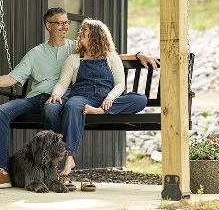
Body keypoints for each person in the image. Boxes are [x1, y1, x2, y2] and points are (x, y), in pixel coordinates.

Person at [0, 7, 158, 189]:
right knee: (0, 111)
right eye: (60, 23)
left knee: (54, 109)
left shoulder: (74, 48)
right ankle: (1, 172)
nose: (65, 26)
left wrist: (137, 55)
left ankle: (51, 169)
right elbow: (13, 77)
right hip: (38, 98)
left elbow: (103, 52)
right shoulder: (38, 53)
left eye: (66, 23)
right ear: (48, 26)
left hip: (62, 101)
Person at [46, 19, 147, 177]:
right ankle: (70, 157)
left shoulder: (111, 57)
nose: (81, 32)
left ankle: (100, 111)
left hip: (105, 100)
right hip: (82, 97)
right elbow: (63, 82)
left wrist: (110, 98)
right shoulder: (74, 59)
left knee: (141, 99)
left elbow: (120, 84)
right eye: (81, 29)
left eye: (85, 29)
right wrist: (56, 94)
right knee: (72, 106)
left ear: (96, 35)